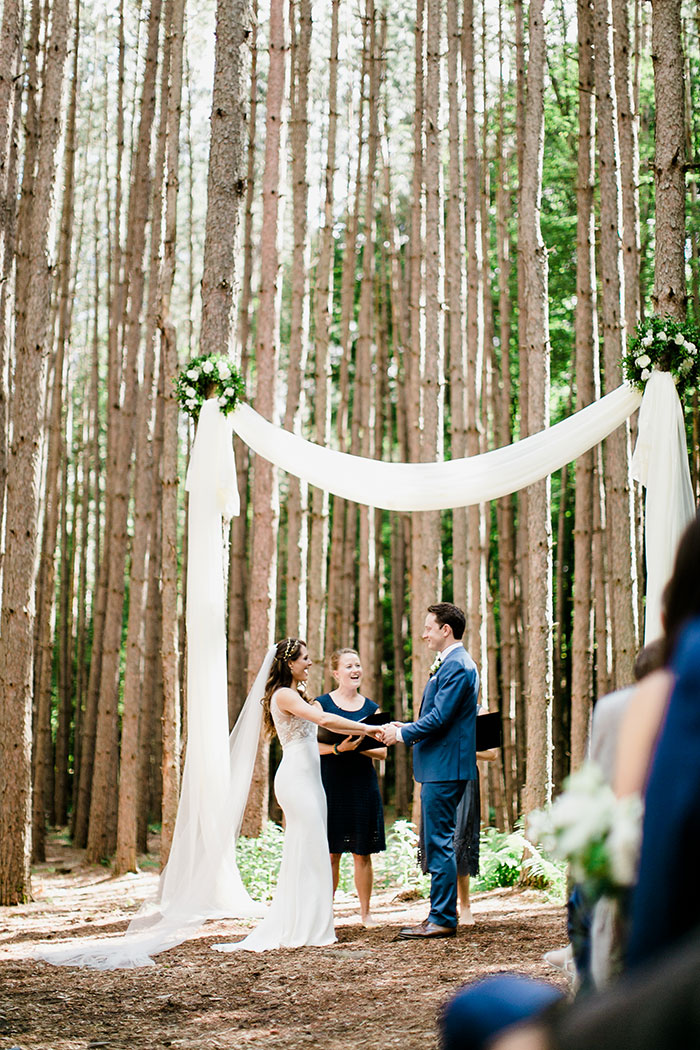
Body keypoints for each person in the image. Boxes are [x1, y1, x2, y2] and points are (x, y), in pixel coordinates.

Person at [213, 638, 383, 952]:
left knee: (309, 851)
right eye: (304, 658)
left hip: (310, 778)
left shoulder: (297, 694)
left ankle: (308, 922)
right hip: (296, 780)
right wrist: (368, 729)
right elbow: (324, 720)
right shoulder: (284, 694)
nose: (309, 663)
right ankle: (308, 926)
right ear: (289, 664)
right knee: (313, 850)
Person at [383, 602, 479, 939]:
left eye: (428, 627)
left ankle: (441, 918)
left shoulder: (457, 666)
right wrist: (406, 725)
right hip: (442, 765)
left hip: (444, 767)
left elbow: (440, 718)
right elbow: (440, 716)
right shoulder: (453, 663)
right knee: (438, 839)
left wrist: (402, 734)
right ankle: (441, 912)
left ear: (445, 630)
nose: (423, 633)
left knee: (439, 841)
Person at [316, 648, 387, 926]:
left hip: (361, 784)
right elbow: (310, 746)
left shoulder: (372, 709)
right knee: (331, 853)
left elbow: (381, 753)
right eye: (348, 666)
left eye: (357, 665)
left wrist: (355, 745)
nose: (355, 670)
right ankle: (326, 914)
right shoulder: (320, 705)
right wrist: (337, 748)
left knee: (362, 853)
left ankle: (366, 913)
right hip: (330, 783)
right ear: (336, 673)